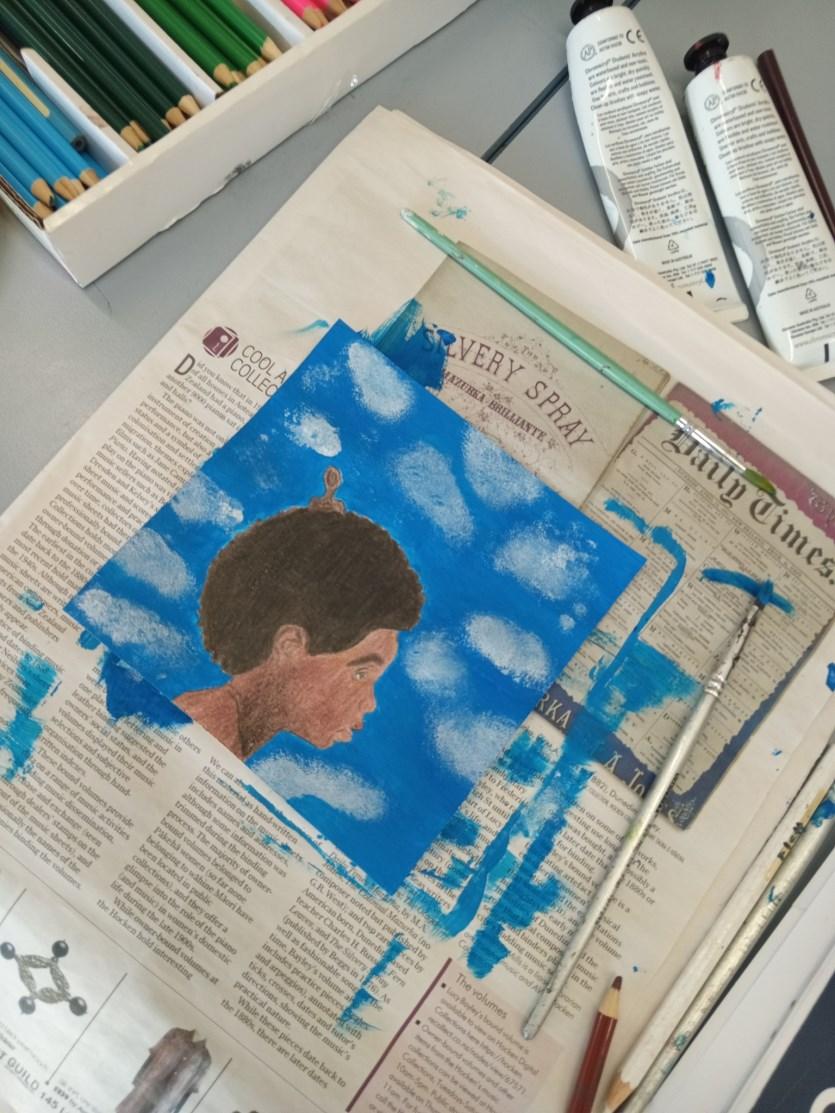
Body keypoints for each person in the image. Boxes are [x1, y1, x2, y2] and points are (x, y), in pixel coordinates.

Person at [174, 468, 424, 760]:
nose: (370, 704)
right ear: (289, 645)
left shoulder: (225, 732)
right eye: (360, 673)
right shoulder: (201, 733)